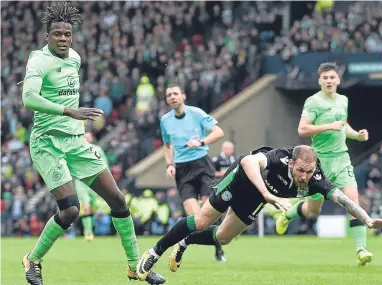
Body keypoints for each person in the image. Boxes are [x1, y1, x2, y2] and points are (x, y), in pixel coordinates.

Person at [20, 3, 165, 285]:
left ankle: (135, 266)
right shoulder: (37, 60)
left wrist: (75, 118)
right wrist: (69, 111)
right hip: (47, 143)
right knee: (71, 210)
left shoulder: (75, 58)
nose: (63, 39)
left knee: (119, 201)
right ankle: (33, 260)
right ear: (47, 36)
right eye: (57, 34)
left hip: (75, 141)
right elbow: (28, 98)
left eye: (67, 34)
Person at [135, 145, 382, 281]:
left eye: (309, 172)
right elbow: (248, 162)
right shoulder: (278, 158)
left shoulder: (315, 179)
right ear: (292, 162)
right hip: (240, 180)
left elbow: (342, 198)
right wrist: (267, 194)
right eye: (300, 170)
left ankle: (185, 241)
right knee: (201, 220)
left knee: (224, 238)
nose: (304, 177)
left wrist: (366, 219)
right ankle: (153, 253)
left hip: (256, 196)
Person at [276, 62, 372, 266]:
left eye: (332, 77)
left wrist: (356, 135)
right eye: (325, 78)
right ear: (320, 81)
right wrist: (329, 125)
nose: (329, 81)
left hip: (342, 158)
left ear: (338, 80)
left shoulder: (343, 100)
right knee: (313, 210)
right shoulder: (313, 102)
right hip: (319, 162)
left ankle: (361, 250)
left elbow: (342, 125)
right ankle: (288, 214)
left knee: (353, 201)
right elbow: (302, 129)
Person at [160, 84, 227, 263]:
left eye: (175, 94)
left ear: (183, 96)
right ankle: (184, 244)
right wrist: (169, 165)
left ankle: (218, 249)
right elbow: (167, 146)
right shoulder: (165, 120)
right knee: (197, 220)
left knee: (210, 211)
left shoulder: (196, 113)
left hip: (203, 165)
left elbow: (219, 132)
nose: (172, 97)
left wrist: (201, 142)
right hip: (182, 170)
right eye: (168, 95)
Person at [74, 132, 107, 241]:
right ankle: (88, 232)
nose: (86, 138)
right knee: (86, 205)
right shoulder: (78, 149)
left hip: (94, 181)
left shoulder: (98, 150)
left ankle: (90, 229)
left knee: (92, 206)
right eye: (84, 137)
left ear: (92, 138)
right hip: (81, 182)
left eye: (88, 137)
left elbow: (104, 164)